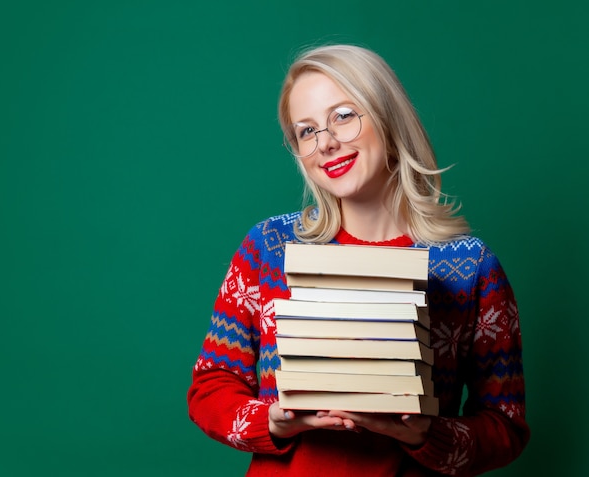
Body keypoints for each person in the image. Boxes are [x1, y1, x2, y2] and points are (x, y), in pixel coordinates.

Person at [187, 44, 529, 476]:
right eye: (306, 131)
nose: (326, 143)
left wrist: (427, 434)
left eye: (343, 116)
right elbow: (210, 385)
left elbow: (506, 427)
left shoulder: (470, 266)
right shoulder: (268, 247)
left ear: (387, 118)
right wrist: (271, 421)